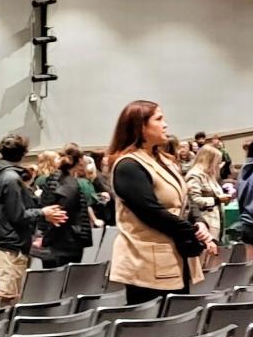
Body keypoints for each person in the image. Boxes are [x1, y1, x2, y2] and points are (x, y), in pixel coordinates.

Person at [107, 100, 215, 305]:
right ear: (141, 127)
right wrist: (191, 231)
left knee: (178, 322)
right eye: (159, 119)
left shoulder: (164, 160)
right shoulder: (128, 165)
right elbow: (151, 212)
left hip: (175, 254)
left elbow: (184, 199)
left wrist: (200, 221)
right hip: (146, 262)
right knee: (153, 329)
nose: (165, 124)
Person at [0, 134, 66, 300]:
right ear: (24, 153)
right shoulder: (12, 179)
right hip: (12, 249)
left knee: (8, 298)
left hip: (5, 243)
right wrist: (44, 213)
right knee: (9, 301)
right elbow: (18, 215)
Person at [38, 145, 92, 268]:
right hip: (66, 243)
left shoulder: (53, 178)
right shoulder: (70, 185)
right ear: (79, 161)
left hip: (55, 242)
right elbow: (61, 216)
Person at [186, 145, 230, 268]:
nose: (218, 165)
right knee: (205, 265)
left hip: (217, 226)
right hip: (205, 226)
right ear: (209, 159)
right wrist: (216, 200)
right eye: (217, 161)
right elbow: (193, 201)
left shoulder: (210, 175)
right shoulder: (195, 175)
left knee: (214, 264)